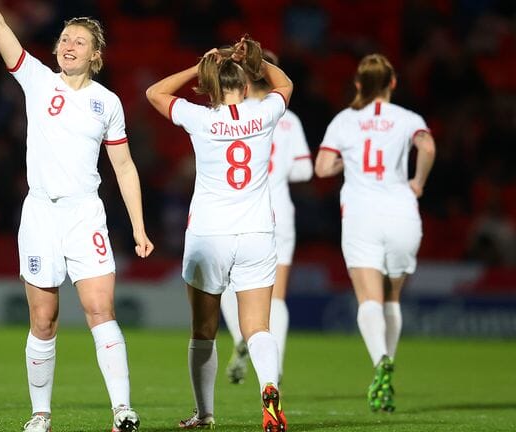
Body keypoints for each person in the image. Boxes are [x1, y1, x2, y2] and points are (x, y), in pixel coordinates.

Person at [0, 2, 155, 431]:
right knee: (43, 319)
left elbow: (124, 167)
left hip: (84, 214)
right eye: (66, 39)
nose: (70, 46)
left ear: (95, 55)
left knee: (99, 308)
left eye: (80, 42)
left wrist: (139, 227)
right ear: (55, 48)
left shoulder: (106, 103)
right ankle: (40, 414)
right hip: (41, 215)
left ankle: (122, 411)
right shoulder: (36, 79)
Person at [146, 38, 292, 431]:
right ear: (245, 88)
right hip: (258, 231)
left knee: (204, 330)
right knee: (258, 327)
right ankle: (269, 387)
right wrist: (257, 61)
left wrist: (200, 66)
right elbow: (285, 87)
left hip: (210, 234)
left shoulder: (200, 118)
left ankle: (205, 413)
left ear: (211, 88)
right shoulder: (263, 113)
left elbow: (154, 92)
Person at [314, 53, 435, 412]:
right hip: (402, 213)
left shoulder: (345, 120)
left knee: (368, 299)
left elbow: (321, 168)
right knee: (391, 298)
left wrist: (343, 161)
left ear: (357, 85)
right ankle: (388, 369)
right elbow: (426, 146)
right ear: (393, 83)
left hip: (362, 215)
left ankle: (380, 359)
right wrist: (418, 182)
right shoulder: (408, 118)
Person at [219, 45, 313, 386]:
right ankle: (277, 365)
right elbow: (304, 172)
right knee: (277, 295)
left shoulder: (230, 112)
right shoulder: (288, 118)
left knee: (230, 282)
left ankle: (242, 336)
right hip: (280, 212)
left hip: (239, 211)